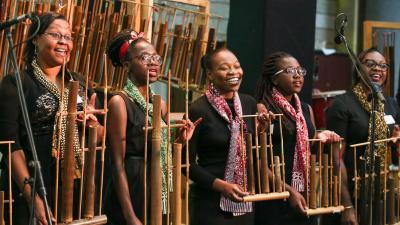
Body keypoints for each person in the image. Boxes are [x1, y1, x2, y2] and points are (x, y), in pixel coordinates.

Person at [0, 12, 103, 225]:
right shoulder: (15, 83)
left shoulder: (78, 82)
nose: (63, 42)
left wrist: (93, 125)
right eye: (56, 35)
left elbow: (100, 137)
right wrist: (34, 198)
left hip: (75, 185)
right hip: (32, 182)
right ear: (36, 39)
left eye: (68, 37)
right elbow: (10, 146)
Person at [104, 29, 196, 225]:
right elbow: (116, 163)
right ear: (127, 64)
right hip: (131, 186)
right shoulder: (120, 102)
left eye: (156, 57)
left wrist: (179, 138)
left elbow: (163, 149)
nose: (153, 62)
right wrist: (130, 216)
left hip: (155, 184)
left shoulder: (159, 104)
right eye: (145, 57)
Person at [254, 51, 341, 225]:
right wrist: (288, 191)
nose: (298, 76)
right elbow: (256, 159)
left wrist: (320, 137)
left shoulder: (305, 109)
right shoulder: (262, 109)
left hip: (303, 191)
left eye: (300, 71)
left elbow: (308, 143)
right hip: (273, 191)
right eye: (290, 71)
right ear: (275, 79)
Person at [188, 48, 269, 225]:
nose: (233, 72)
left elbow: (251, 155)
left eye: (237, 66)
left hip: (243, 201)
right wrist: (221, 185)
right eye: (225, 68)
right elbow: (186, 164)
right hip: (210, 203)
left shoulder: (249, 103)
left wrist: (262, 131)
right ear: (210, 74)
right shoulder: (198, 109)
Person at [326, 47, 400, 225]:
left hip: (383, 191)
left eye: (383, 66)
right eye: (370, 64)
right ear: (358, 69)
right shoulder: (342, 104)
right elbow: (336, 158)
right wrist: (347, 206)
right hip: (352, 191)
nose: (377, 69)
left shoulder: (390, 104)